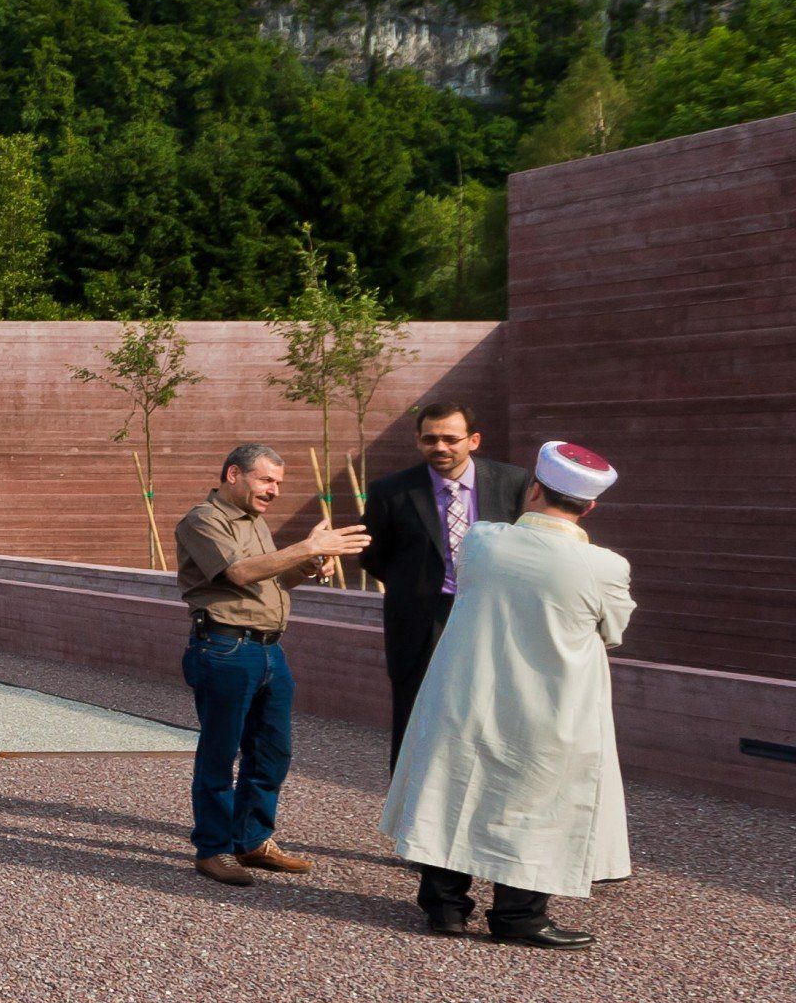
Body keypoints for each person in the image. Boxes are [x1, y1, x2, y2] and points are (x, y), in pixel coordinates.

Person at [381, 441, 634, 949]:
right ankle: (520, 916)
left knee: (451, 788)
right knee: (534, 802)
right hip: (550, 703)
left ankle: (445, 908)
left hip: (468, 693)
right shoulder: (605, 566)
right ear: (590, 507)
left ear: (534, 488)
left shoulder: (482, 540)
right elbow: (614, 630)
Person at [174, 442, 370, 887]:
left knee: (272, 752)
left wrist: (308, 564)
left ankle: (252, 840)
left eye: (278, 482)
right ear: (233, 475)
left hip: (267, 651)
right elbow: (239, 574)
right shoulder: (203, 520)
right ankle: (214, 849)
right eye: (266, 480)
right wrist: (305, 545)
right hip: (225, 648)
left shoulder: (254, 522)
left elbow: (273, 578)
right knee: (220, 753)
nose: (274, 490)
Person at [360, 400, 529, 765]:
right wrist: (417, 585)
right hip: (421, 621)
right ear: (419, 441)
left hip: (491, 617)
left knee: (490, 716)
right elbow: (373, 555)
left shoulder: (513, 483)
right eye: (430, 439)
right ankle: (407, 813)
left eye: (451, 439)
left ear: (474, 440)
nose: (440, 447)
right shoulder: (390, 492)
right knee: (416, 719)